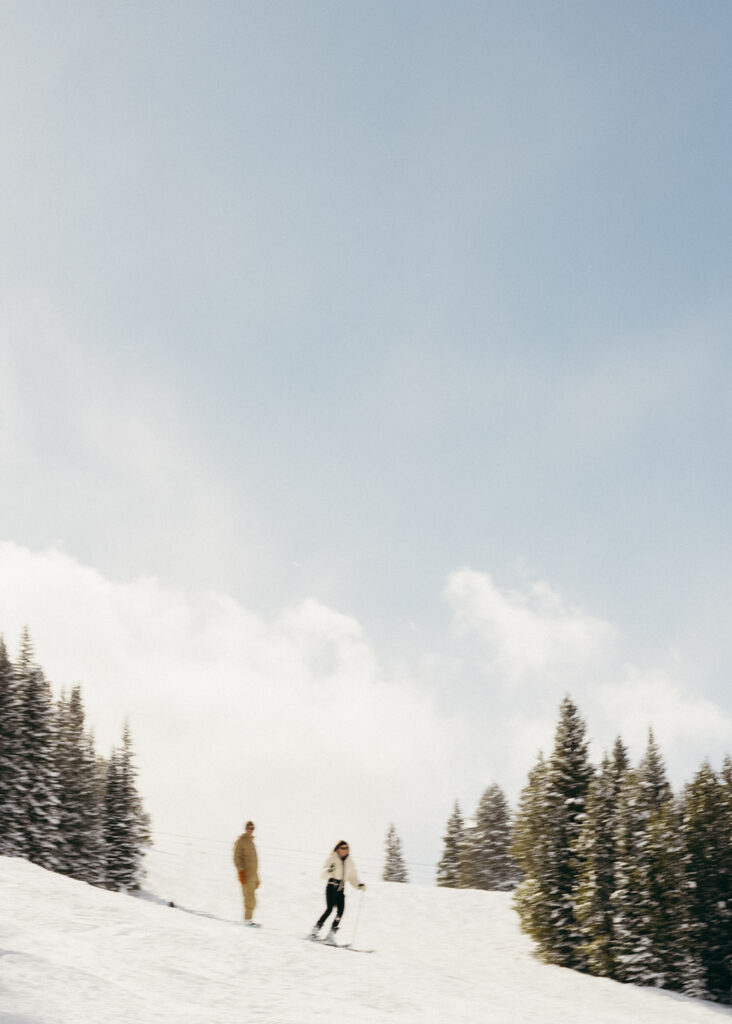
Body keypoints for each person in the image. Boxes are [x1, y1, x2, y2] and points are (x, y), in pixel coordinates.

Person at [310, 840, 365, 942]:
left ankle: (331, 934)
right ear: (338, 849)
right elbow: (323, 873)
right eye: (343, 848)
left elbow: (353, 877)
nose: (346, 850)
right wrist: (329, 870)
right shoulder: (332, 858)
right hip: (331, 887)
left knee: (340, 912)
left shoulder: (350, 862)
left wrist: (359, 885)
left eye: (347, 848)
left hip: (341, 889)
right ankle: (315, 930)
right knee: (329, 909)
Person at [233, 820, 260, 927]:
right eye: (249, 828)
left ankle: (250, 919)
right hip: (246, 875)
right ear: (245, 828)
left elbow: (254, 862)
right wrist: (241, 871)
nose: (251, 830)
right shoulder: (241, 841)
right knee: (248, 898)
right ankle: (247, 920)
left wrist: (257, 878)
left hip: (253, 876)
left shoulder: (251, 842)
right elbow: (237, 858)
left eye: (252, 828)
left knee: (253, 900)